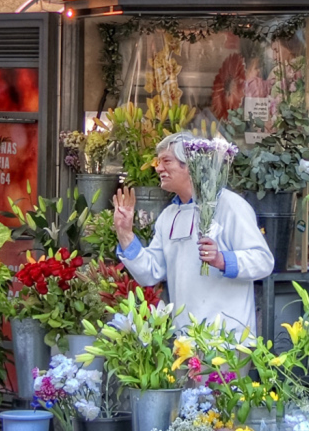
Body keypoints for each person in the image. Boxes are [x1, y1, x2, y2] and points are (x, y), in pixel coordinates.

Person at [113, 132, 274, 333]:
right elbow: (150, 273)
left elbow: (263, 261)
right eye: (158, 161)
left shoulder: (230, 206)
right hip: (185, 340)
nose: (158, 168)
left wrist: (223, 260)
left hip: (228, 340)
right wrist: (125, 234)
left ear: (190, 165)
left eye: (166, 161)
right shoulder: (168, 215)